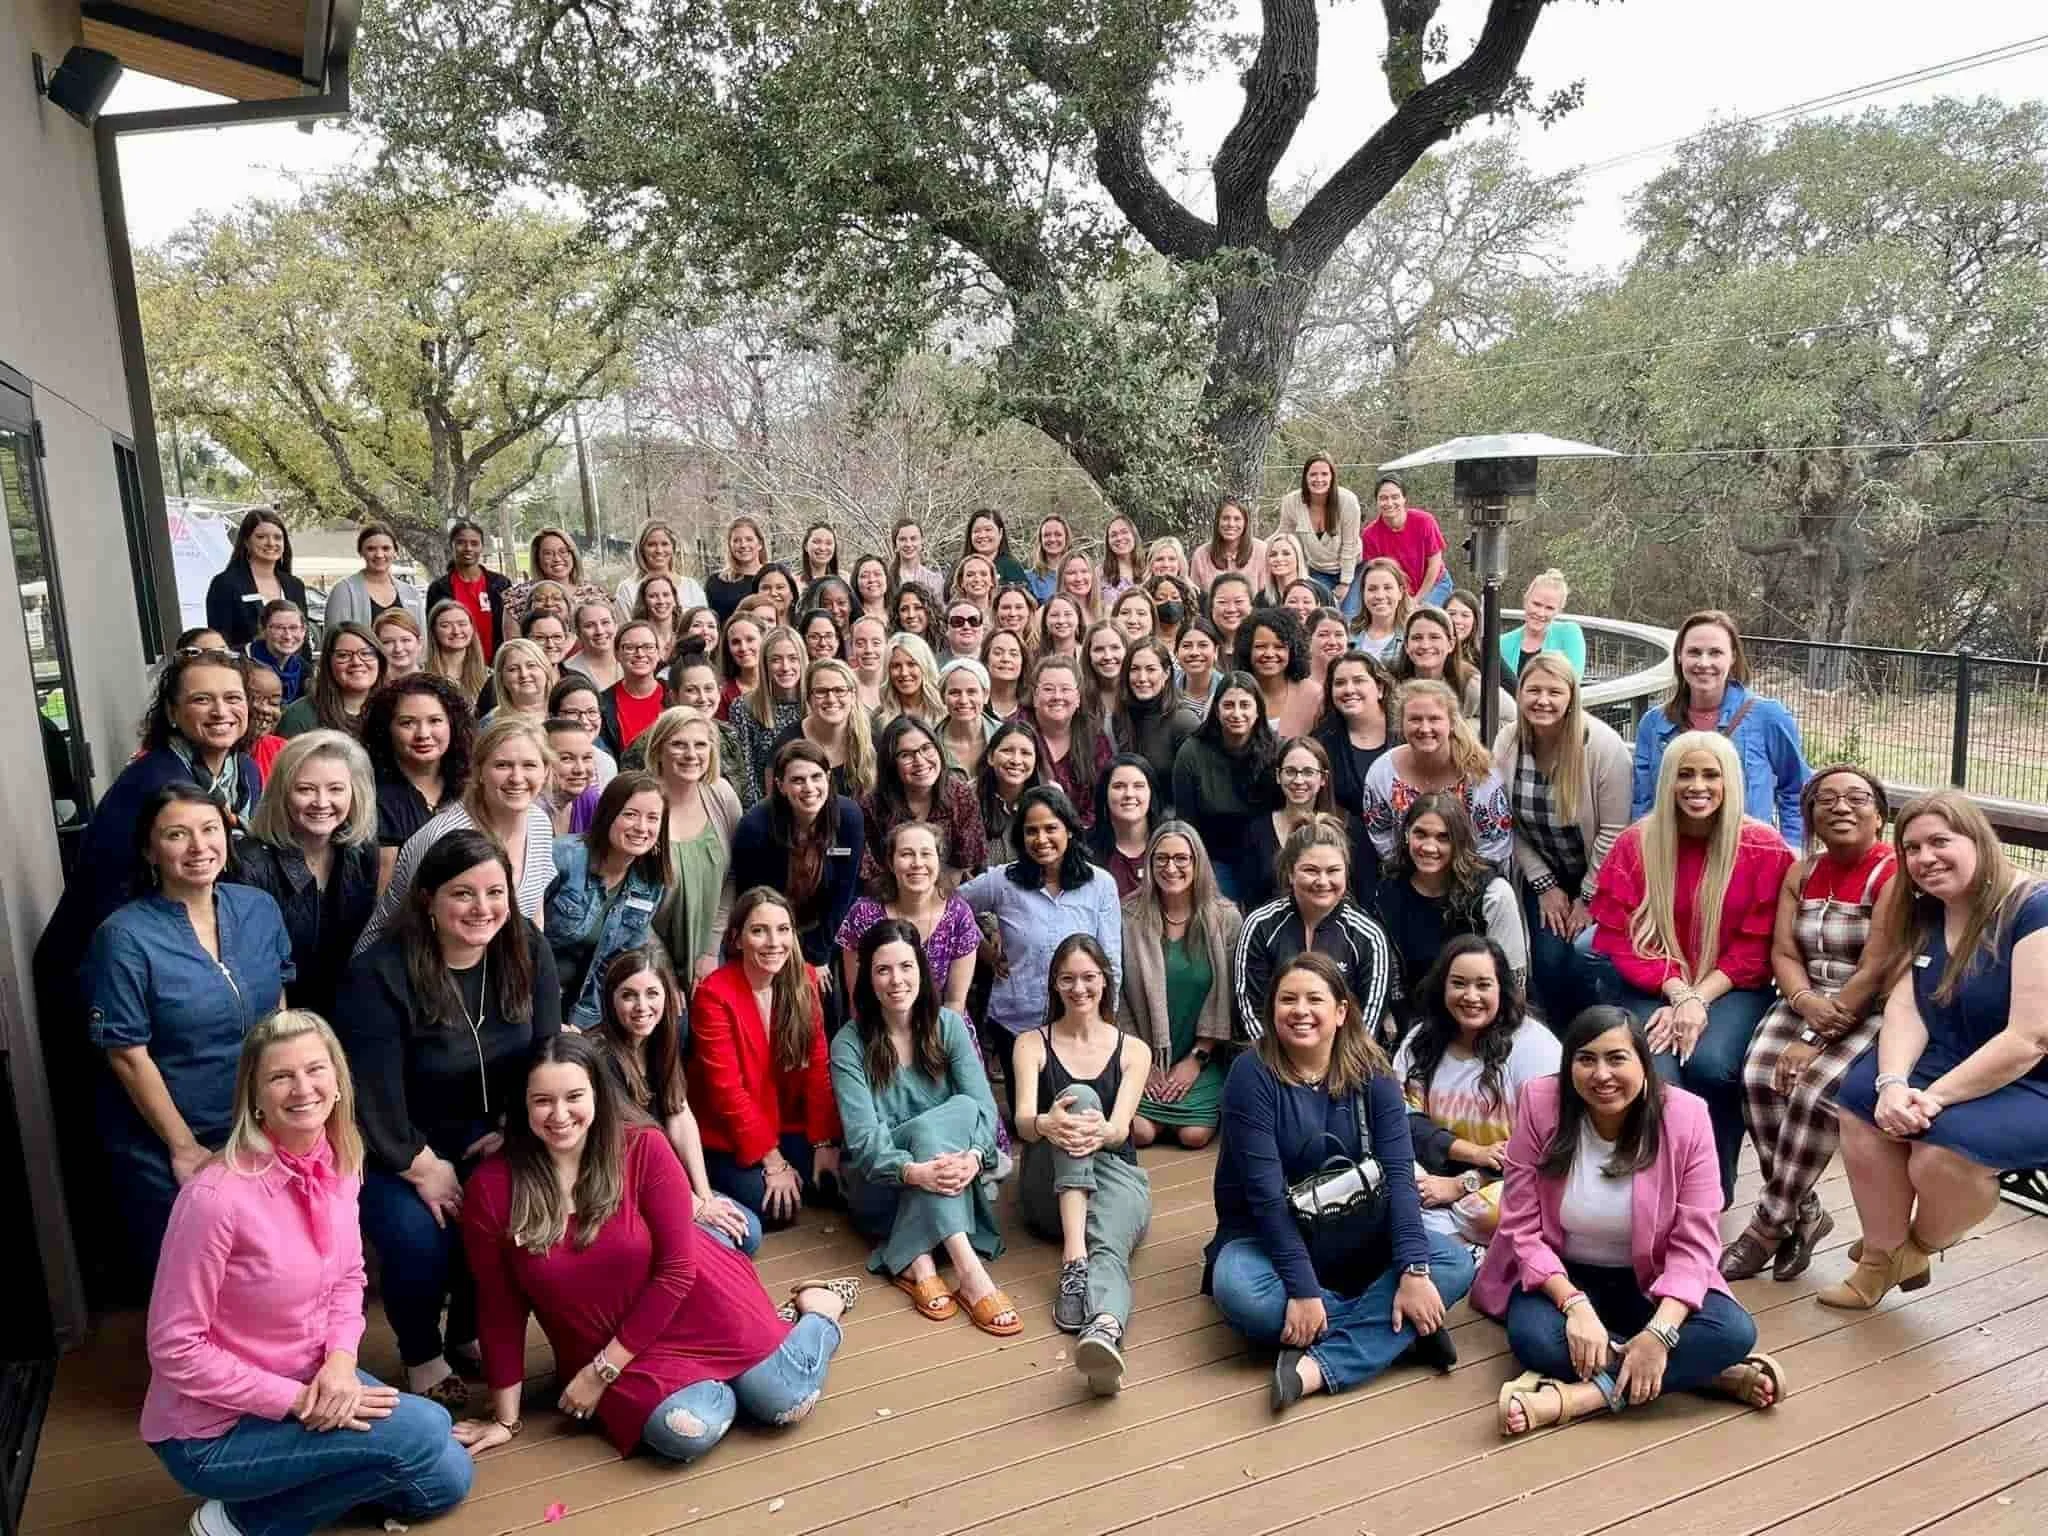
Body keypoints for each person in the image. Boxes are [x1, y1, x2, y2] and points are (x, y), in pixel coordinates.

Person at [144, 1011, 473, 1536]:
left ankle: (317, 1481)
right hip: (214, 1429)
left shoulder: (340, 1161)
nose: (303, 1089)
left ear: (338, 1082)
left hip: (317, 1378)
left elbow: (348, 1278)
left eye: (315, 1070)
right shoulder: (214, 1199)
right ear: (255, 1095)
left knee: (448, 1479)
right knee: (429, 1428)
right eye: (281, 1076)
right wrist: (297, 1403)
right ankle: (237, 1521)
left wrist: (341, 1367)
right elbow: (175, 1348)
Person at [457, 1033, 853, 1466]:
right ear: (521, 1104)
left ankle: (819, 1312)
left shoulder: (643, 1146)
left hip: (697, 1304)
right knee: (685, 1433)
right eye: (542, 1101)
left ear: (598, 1095)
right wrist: (505, 1419)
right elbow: (499, 1307)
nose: (560, 1115)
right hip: (610, 1346)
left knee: (784, 1402)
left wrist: (600, 1372)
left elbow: (678, 1271)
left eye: (574, 1096)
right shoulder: (492, 1190)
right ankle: (736, 1376)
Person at [334, 826, 561, 1406]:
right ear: (427, 898)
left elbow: (546, 1053)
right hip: (399, 1141)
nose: (482, 909)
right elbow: (370, 1090)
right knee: (420, 1239)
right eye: (463, 893)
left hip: (500, 1129)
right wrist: (419, 1164)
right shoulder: (380, 975)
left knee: (502, 1216)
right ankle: (421, 1351)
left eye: (494, 893)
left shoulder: (528, 950)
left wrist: (516, 1130)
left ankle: (464, 1333)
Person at [1477, 1007, 1782, 1436]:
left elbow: (1695, 1245)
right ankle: (1709, 1375)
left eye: (1617, 1058)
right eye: (1586, 1059)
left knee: (1733, 1332)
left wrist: (1660, 1334)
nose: (1602, 1074)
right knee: (1535, 1340)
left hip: (1653, 1276)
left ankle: (1579, 1399)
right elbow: (1521, 1227)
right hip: (1564, 1276)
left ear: (1644, 1062)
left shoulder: (1686, 1117)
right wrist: (1573, 1304)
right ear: (1569, 1066)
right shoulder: (1540, 1104)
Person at [1206, 952, 1471, 1412]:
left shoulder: (1374, 1074)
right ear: (1271, 1010)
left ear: (1341, 1011)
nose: (1300, 1010)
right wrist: (1304, 1290)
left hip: (1361, 1236)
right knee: (1239, 1290)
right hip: (1269, 1239)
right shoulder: (1251, 1076)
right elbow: (1266, 1200)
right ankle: (1405, 1333)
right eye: (1287, 999)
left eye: (1314, 999)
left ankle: (1317, 1365)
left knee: (1451, 1262)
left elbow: (1401, 1178)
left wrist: (1412, 1270)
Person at [1823, 791, 2048, 1308]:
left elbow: (2028, 1039)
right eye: (1911, 848)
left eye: (1940, 842)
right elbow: (1906, 1007)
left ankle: (1912, 1250)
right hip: (1954, 1052)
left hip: (2031, 1075)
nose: (1925, 858)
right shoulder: (1927, 909)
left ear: (1979, 842)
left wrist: (1934, 1098)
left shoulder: (2033, 910)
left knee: (1940, 1151)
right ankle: (1881, 1256)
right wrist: (1893, 1083)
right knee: (1860, 1102)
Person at [85, 786, 294, 1280]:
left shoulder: (257, 907)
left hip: (262, 1126)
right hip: (176, 1140)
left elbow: (280, 1007)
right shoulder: (124, 936)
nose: (199, 847)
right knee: (204, 1285)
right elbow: (127, 1054)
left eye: (209, 830)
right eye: (177, 835)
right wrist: (184, 1148)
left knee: (279, 1273)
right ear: (149, 850)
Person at [1589, 731, 1795, 1204]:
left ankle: (1711, 1192)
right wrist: (1679, 993)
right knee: (1655, 1070)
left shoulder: (1764, 848)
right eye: (1685, 774)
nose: (1696, 786)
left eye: (1710, 774)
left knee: (1711, 1063)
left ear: (1729, 783)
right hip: (1654, 985)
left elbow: (1757, 944)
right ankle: (1651, 1190)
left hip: (1733, 986)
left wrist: (1699, 998)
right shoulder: (1635, 845)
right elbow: (1624, 938)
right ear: (1667, 781)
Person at [1724, 768, 1900, 1282]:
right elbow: (1782, 950)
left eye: (1857, 798)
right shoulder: (1801, 873)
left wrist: (1812, 1038)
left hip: (1867, 1004)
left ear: (1879, 814)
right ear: (1810, 815)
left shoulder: (1891, 874)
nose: (1841, 807)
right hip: (1805, 996)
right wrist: (1802, 1001)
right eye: (1827, 800)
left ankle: (1768, 1224)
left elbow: (1876, 967)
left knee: (1815, 1092)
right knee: (1757, 1076)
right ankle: (1806, 1212)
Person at [831, 921, 1012, 1329]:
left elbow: (984, 1109)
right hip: (883, 1188)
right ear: (868, 977)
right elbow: (864, 1141)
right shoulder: (849, 1043)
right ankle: (970, 1270)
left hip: (950, 1178)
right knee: (932, 1130)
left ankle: (922, 1263)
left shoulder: (948, 1026)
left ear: (922, 970)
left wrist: (973, 1157)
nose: (897, 980)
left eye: (906, 967)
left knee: (963, 1107)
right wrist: (915, 1172)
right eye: (883, 970)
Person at [1013, 935, 1154, 1388]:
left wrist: (1102, 1131)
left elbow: (1119, 1130)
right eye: (1068, 979)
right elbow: (1021, 1122)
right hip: (1046, 1187)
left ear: (1105, 982)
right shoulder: (1031, 1044)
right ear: (1055, 985)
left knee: (1109, 1242)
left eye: (1089, 978)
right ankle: (1074, 1258)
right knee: (1081, 1098)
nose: (1079, 989)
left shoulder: (1134, 1050)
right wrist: (1047, 1124)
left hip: (1114, 1172)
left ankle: (1105, 1330)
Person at [687, 888, 843, 1227]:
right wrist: (773, 1162)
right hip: (728, 1133)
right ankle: (702, 1187)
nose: (774, 942)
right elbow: (726, 1091)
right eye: (759, 931)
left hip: (785, 1121)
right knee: (776, 1208)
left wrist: (824, 1142)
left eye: (783, 929)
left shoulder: (804, 979)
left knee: (833, 1182)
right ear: (737, 939)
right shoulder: (714, 995)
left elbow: (819, 1066)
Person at [1493, 652, 1632, 1028]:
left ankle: (1595, 1031)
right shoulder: (1508, 743)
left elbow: (1615, 831)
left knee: (1584, 957)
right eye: (1533, 690)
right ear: (1519, 694)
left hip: (1601, 878)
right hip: (1544, 876)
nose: (1543, 700)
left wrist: (1588, 897)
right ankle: (1554, 1039)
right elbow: (1507, 821)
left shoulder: (1602, 746)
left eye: (1554, 691)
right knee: (1547, 959)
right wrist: (1544, 885)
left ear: (1572, 696)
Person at [1394, 936, 1561, 1243]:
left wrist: (1465, 1183)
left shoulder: (1534, 1047)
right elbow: (1401, 1119)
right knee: (1396, 1186)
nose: (1471, 996)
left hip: (1505, 1178)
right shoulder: (1420, 1039)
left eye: (1483, 985)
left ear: (1502, 989)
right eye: (1459, 984)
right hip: (1434, 1169)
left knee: (1491, 1210)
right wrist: (1475, 1153)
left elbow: (1547, 1145)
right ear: (1443, 987)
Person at [594, 947, 758, 1251]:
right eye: (628, 995)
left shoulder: (660, 1044)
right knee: (725, 1242)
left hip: (667, 1180)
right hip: (627, 1186)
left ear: (667, 996)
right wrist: (694, 1206)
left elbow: (680, 1116)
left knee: (748, 1231)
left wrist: (705, 1195)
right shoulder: (601, 1059)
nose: (642, 1006)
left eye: (652, 994)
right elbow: (633, 1152)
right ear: (610, 1000)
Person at [357, 717, 557, 952]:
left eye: (529, 765)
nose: (516, 777)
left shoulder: (540, 823)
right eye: (502, 765)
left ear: (546, 771)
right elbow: (412, 927)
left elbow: (534, 915)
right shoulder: (444, 836)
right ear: (480, 771)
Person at [961, 786, 1122, 1063]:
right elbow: (954, 906)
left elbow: (1110, 962)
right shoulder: (1003, 881)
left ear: (1069, 830)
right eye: (1031, 831)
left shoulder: (1100, 884)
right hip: (1016, 1023)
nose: (1041, 839)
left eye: (1051, 828)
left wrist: (1104, 1021)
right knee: (1024, 1107)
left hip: (1079, 1024)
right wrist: (984, 949)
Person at [234, 731, 380, 1021]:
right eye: (306, 789)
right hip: (279, 1019)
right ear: (282, 793)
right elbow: (251, 971)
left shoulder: (361, 852)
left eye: (336, 789)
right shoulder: (249, 864)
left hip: (349, 1011)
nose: (322, 802)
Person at [1632, 609, 1809, 843]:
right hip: (1673, 857)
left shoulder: (1768, 716)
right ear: (1679, 656)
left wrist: (1792, 849)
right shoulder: (1654, 723)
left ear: (1733, 657)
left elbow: (1796, 788)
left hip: (1747, 856)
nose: (1704, 663)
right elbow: (1643, 801)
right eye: (1694, 652)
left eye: (1715, 653)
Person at [1121, 822, 1239, 1149]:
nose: (1170, 868)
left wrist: (1196, 1059)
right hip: (1141, 1052)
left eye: (1181, 859)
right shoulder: (1127, 917)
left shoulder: (1225, 918)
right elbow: (1118, 998)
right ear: (1149, 864)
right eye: (1161, 859)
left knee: (1194, 1136)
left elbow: (1227, 996)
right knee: (1141, 1132)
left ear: (1197, 862)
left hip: (1202, 1055)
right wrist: (1141, 1062)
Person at [1234, 815, 1394, 1043]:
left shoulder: (1368, 936)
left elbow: (1367, 1023)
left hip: (1344, 1062)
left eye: (1333, 871)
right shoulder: (1260, 925)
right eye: (1310, 870)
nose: (1322, 881)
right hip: (1271, 1059)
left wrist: (1326, 1072)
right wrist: (1281, 1067)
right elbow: (1251, 1011)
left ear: (1346, 873)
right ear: (1291, 873)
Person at [1375, 795, 1529, 1011]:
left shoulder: (1494, 894)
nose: (1429, 847)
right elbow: (1391, 979)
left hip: (1478, 1015)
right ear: (1407, 834)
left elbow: (1513, 982)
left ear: (1459, 841)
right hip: (1414, 1019)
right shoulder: (1388, 890)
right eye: (1421, 834)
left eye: (1443, 838)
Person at [727, 742, 865, 978]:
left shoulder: (848, 817)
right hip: (772, 934)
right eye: (798, 780)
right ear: (781, 786)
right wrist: (787, 951)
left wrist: (817, 956)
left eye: (816, 777)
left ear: (828, 778)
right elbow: (755, 902)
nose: (809, 787)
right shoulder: (755, 828)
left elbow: (843, 894)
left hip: (826, 931)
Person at [544, 772, 669, 1031]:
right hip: (533, 991)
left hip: (586, 1005)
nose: (642, 827)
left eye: (653, 818)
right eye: (631, 814)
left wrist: (582, 1025)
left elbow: (615, 966)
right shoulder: (562, 858)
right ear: (608, 814)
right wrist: (548, 1017)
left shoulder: (651, 883)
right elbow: (523, 941)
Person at [637, 706, 742, 988]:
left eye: (700, 745)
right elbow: (629, 899)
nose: (691, 754)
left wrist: (709, 951)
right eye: (678, 744)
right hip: (646, 949)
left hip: (711, 947)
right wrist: (661, 968)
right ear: (658, 750)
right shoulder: (641, 802)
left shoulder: (721, 795)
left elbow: (733, 876)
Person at [1362, 679, 1512, 872]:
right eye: (1415, 719)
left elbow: (1495, 846)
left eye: (1434, 719)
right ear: (1401, 724)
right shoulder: (1382, 771)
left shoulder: (1480, 773)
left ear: (1451, 723)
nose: (1425, 729)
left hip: (1474, 880)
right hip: (1410, 878)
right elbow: (1383, 839)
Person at [1171, 673, 1278, 902]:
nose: (1237, 714)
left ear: (1258, 710)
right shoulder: (1192, 752)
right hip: (1214, 859)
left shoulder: (1276, 752)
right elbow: (1186, 823)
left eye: (1245, 705)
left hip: (1266, 857)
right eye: (1228, 705)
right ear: (1216, 710)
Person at [362, 673, 473, 893]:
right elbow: (385, 897)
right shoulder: (375, 797)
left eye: (435, 721)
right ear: (387, 729)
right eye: (407, 723)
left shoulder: (470, 787)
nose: (423, 734)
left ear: (452, 724)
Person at [863, 715, 988, 880]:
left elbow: (965, 864)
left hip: (949, 891)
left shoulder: (960, 796)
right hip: (889, 895)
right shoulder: (872, 806)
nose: (920, 761)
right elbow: (871, 874)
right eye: (906, 755)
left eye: (927, 748)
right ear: (891, 764)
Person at [1236, 737, 1345, 912]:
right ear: (1278, 776)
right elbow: (1249, 899)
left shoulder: (1344, 829)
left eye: (1308, 772)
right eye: (1290, 771)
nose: (1298, 780)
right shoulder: (1256, 831)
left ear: (1323, 778)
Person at [1017, 654, 1112, 830]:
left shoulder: (1093, 736)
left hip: (1084, 836)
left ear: (1078, 698)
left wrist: (1074, 829)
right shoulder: (1017, 732)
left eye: (1065, 689)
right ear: (1035, 696)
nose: (1057, 696)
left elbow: (1103, 798)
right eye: (1048, 689)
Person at [1313, 652, 1395, 847]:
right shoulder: (1321, 741)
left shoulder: (1407, 731)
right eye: (1339, 683)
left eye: (1359, 681)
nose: (1349, 690)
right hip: (1348, 848)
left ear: (1380, 688)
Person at [206, 508, 310, 652]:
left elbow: (304, 643)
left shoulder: (295, 585)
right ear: (246, 542)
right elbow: (219, 644)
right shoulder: (225, 584)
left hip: (292, 673)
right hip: (246, 670)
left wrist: (307, 673)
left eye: (278, 537)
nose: (271, 543)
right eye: (261, 537)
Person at [775, 657, 879, 802]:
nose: (831, 699)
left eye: (839, 690)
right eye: (821, 691)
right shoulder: (788, 741)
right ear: (809, 698)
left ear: (853, 696)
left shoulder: (873, 738)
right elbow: (776, 804)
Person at [1274, 453, 1364, 615]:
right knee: (1321, 614)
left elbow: (1350, 545)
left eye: (1324, 474)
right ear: (1305, 477)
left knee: (1349, 615)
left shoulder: (1348, 501)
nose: (1319, 479)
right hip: (1317, 570)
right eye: (1313, 474)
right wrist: (1257, 548)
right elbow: (1283, 536)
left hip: (1352, 569)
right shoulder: (1292, 502)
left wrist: (1345, 583)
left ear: (1332, 476)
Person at [1391, 605, 1509, 728]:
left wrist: (1462, 730)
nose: (1425, 645)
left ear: (1451, 644)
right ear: (1406, 645)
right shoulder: (1392, 682)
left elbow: (1511, 719)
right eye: (1417, 638)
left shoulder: (1469, 683)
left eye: (1434, 637)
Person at [1112, 637, 1199, 800]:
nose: (1142, 678)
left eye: (1151, 669)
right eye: (1135, 669)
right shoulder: (1121, 717)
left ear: (1166, 673)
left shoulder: (1184, 721)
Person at [730, 625, 807, 804]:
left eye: (793, 658)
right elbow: (745, 774)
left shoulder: (815, 703)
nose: (785, 667)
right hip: (768, 808)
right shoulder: (744, 707)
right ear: (765, 664)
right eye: (776, 660)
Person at [278, 622, 388, 738]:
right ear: (328, 663)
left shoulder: (393, 709)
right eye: (343, 655)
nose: (356, 662)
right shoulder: (300, 717)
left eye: (366, 653)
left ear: (379, 659)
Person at [425, 519, 512, 664]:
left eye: (474, 543)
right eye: (461, 543)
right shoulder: (439, 588)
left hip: (497, 664)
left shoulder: (501, 584)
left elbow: (511, 629)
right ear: (451, 546)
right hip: (456, 665)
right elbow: (433, 632)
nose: (468, 548)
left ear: (482, 547)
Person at [1360, 475, 1451, 607]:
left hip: (1434, 584)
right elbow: (1377, 575)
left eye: (1395, 497)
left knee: (1424, 619)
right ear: (1377, 502)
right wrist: (1403, 600)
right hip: (1398, 593)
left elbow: (1434, 565)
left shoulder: (1424, 521)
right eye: (1383, 498)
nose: (1389, 503)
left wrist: (1417, 600)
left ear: (1404, 499)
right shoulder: (1369, 535)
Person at [324, 522, 427, 632]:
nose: (379, 554)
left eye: (386, 548)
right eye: (371, 549)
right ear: (361, 552)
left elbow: (422, 640)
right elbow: (333, 640)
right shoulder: (343, 591)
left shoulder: (411, 593)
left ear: (395, 551)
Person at [1238, 606, 1321, 739]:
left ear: (1293, 651)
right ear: (1247, 649)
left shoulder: (1314, 696)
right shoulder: (1233, 691)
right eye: (1260, 646)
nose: (1269, 654)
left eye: (1279, 647)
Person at [1087, 754, 1159, 897]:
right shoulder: (1085, 849)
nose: (1129, 794)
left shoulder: (1170, 843)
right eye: (1119, 786)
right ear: (1104, 794)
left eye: (1139, 786)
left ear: (1151, 792)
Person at [975, 719, 1047, 858]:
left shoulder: (1049, 801)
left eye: (1025, 753)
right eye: (1007, 751)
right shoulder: (968, 799)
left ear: (1036, 760)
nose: (1016, 760)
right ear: (990, 757)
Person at [597, 619, 667, 759]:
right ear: (617, 654)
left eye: (648, 647)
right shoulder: (602, 703)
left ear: (659, 653)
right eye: (630, 647)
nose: (640, 653)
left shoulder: (676, 694)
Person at [1501, 568, 1587, 679]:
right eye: (1536, 604)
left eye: (1549, 608)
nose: (1541, 613)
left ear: (1559, 611)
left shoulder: (1569, 634)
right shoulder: (1503, 644)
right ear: (1526, 600)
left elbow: (1573, 681)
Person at [615, 520, 708, 614]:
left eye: (664, 544)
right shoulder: (627, 589)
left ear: (673, 548)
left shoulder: (691, 587)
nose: (659, 550)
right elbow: (626, 628)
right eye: (651, 545)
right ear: (641, 549)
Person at [1192, 496, 1266, 595]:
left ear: (1245, 523)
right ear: (1218, 522)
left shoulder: (1261, 551)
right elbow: (1196, 598)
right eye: (1226, 518)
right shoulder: (1201, 555)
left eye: (1237, 519)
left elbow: (1266, 597)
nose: (1231, 524)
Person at [938, 655, 998, 777]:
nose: (963, 700)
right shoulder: (931, 743)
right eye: (954, 692)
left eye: (971, 692)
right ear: (942, 697)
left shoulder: (1005, 736)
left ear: (985, 695)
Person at [423, 599, 489, 703]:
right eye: (446, 625)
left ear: (472, 628)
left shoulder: (489, 677)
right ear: (433, 631)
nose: (456, 631)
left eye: (462, 624)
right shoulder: (421, 676)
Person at [478, 637, 554, 726]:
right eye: (513, 669)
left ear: (546, 670)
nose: (524, 674)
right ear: (501, 678)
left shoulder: (564, 711)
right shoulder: (490, 724)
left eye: (531, 665)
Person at [705, 516, 767, 625]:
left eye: (749, 539)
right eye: (737, 540)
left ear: (760, 544)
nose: (743, 545)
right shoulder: (715, 582)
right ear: (730, 545)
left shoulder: (771, 578)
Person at [247, 600, 310, 705]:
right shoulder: (245, 665)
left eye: (294, 628)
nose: (287, 636)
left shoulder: (306, 671)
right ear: (263, 629)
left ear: (303, 631)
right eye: (279, 628)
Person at [879, 630, 945, 729]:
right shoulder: (879, 719)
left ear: (925, 666)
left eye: (911, 664)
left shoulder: (945, 712)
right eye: (896, 666)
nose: (904, 673)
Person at [1351, 557, 1411, 663]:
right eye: (1372, 589)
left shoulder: (1412, 637)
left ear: (1400, 592)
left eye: (1387, 588)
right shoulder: (1349, 635)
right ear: (1363, 593)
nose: (1380, 596)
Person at [564, 598, 623, 691]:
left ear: (616, 625)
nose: (599, 631)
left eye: (605, 622)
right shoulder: (568, 671)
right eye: (589, 625)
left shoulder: (631, 661)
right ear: (578, 632)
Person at [1174, 615, 1224, 722]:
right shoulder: (1166, 685)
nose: (1194, 653)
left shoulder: (1227, 688)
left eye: (1203, 645)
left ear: (1216, 651)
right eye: (1187, 646)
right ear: (1176, 652)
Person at [245, 662, 288, 784]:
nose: (266, 709)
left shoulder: (283, 751)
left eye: (274, 703)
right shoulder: (217, 755)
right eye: (255, 698)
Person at [1256, 532, 1322, 611]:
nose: (1279, 559)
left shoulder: (1319, 591)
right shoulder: (1262, 598)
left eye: (1286, 554)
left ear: (1298, 557)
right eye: (1273, 555)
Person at [965, 507, 1030, 586]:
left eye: (988, 529)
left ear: (1000, 533)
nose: (982, 535)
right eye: (976, 531)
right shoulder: (961, 566)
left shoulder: (1011, 566)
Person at [1081, 620, 1128, 726]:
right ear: (1088, 655)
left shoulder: (1140, 694)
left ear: (1127, 650)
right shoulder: (1078, 699)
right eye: (1099, 649)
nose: (1107, 656)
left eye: (1115, 648)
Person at [888, 517, 948, 598]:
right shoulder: (886, 580)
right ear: (895, 545)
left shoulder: (935, 580)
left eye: (913, 539)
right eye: (902, 539)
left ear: (922, 542)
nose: (908, 544)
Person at [1205, 571, 1255, 661]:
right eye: (1222, 602)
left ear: (1251, 605)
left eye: (1238, 601)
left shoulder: (1261, 645)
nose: (1231, 609)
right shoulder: (1201, 646)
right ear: (1211, 607)